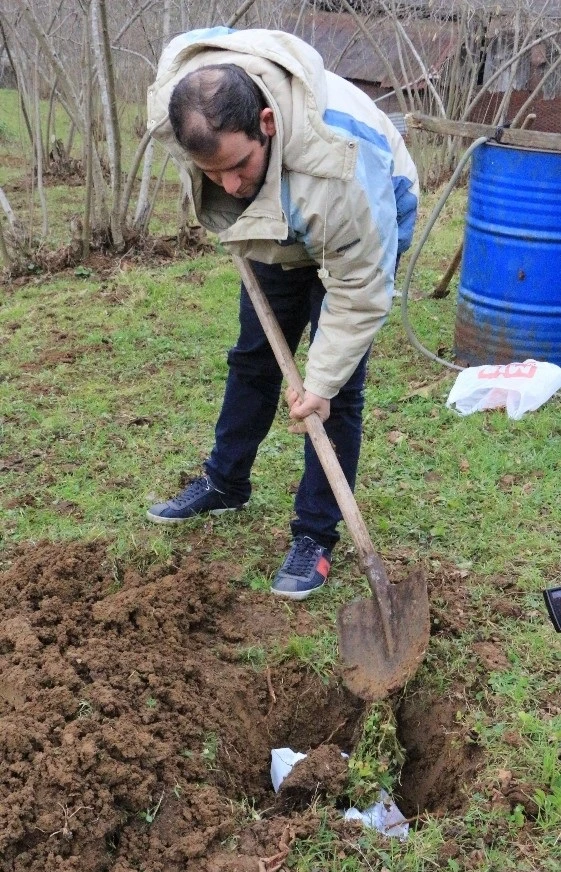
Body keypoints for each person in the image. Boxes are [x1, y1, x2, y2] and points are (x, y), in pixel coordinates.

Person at [146, 26, 419, 599]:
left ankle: (316, 534)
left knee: (334, 393)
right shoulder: (185, 103)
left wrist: (319, 382)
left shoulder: (340, 173)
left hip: (363, 219)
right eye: (212, 173)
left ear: (266, 123)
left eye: (237, 166)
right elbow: (204, 60)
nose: (228, 184)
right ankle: (226, 482)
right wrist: (231, 185)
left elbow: (361, 287)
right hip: (280, 220)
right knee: (253, 358)